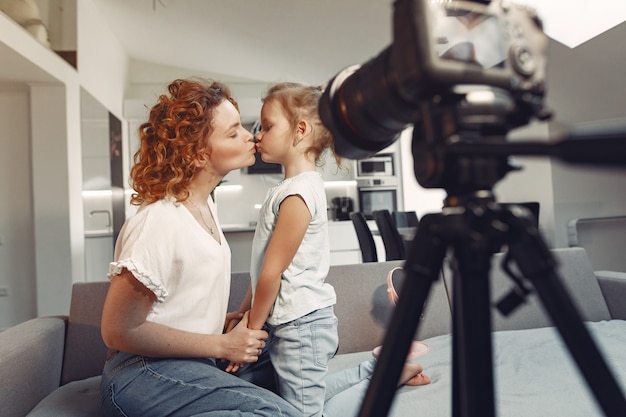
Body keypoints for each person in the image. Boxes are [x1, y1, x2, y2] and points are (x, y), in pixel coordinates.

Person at [99, 78, 300, 417]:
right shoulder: (158, 221)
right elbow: (117, 330)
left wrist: (219, 325)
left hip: (189, 364)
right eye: (233, 132)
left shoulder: (206, 206)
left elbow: (176, 305)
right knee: (277, 413)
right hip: (140, 374)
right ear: (197, 154)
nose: (250, 136)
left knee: (292, 354)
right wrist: (222, 344)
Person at [229, 82, 430, 417]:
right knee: (308, 398)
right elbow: (263, 266)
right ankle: (380, 371)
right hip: (293, 322)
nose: (257, 135)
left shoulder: (299, 194)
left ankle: (387, 376)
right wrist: (244, 312)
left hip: (301, 324)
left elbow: (272, 272)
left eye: (267, 126)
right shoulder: (288, 189)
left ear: (300, 130)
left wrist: (250, 331)